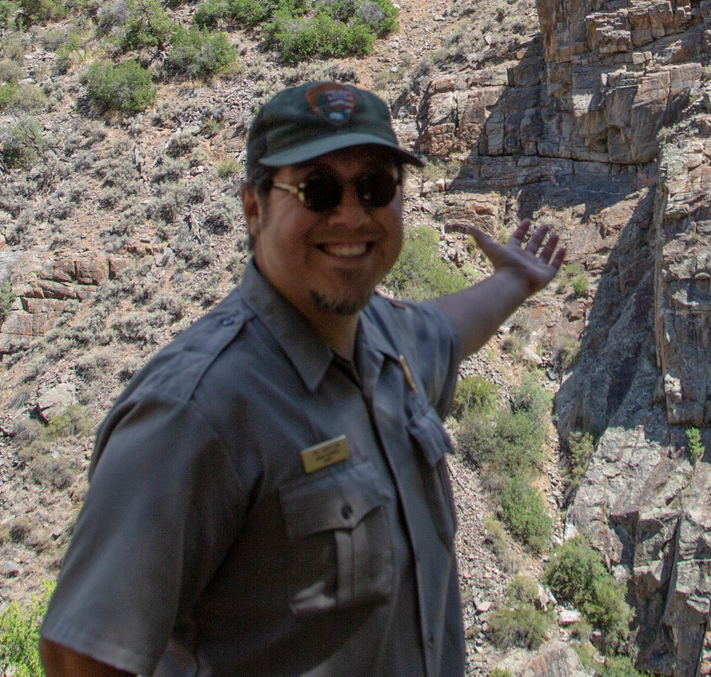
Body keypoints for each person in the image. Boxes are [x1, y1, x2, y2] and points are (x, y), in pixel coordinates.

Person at [38, 80, 565, 677]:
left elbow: (447, 330)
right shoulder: (196, 409)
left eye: (376, 187)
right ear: (255, 208)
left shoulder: (392, 342)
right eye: (317, 190)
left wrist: (515, 281)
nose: (351, 214)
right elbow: (79, 655)